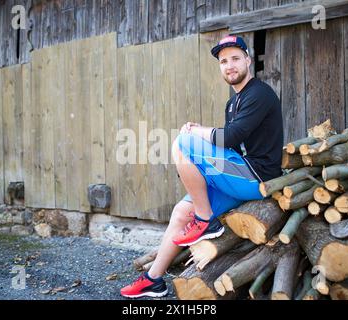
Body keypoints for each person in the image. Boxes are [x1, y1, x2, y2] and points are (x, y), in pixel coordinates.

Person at [120, 35, 283, 298]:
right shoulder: (233, 103)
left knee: (184, 141)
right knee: (181, 211)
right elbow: (230, 148)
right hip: (237, 176)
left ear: (248, 61)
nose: (229, 66)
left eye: (235, 59)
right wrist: (199, 149)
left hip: (257, 178)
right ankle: (154, 280)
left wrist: (197, 132)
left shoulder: (259, 94)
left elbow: (230, 137)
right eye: (223, 61)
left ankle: (205, 219)